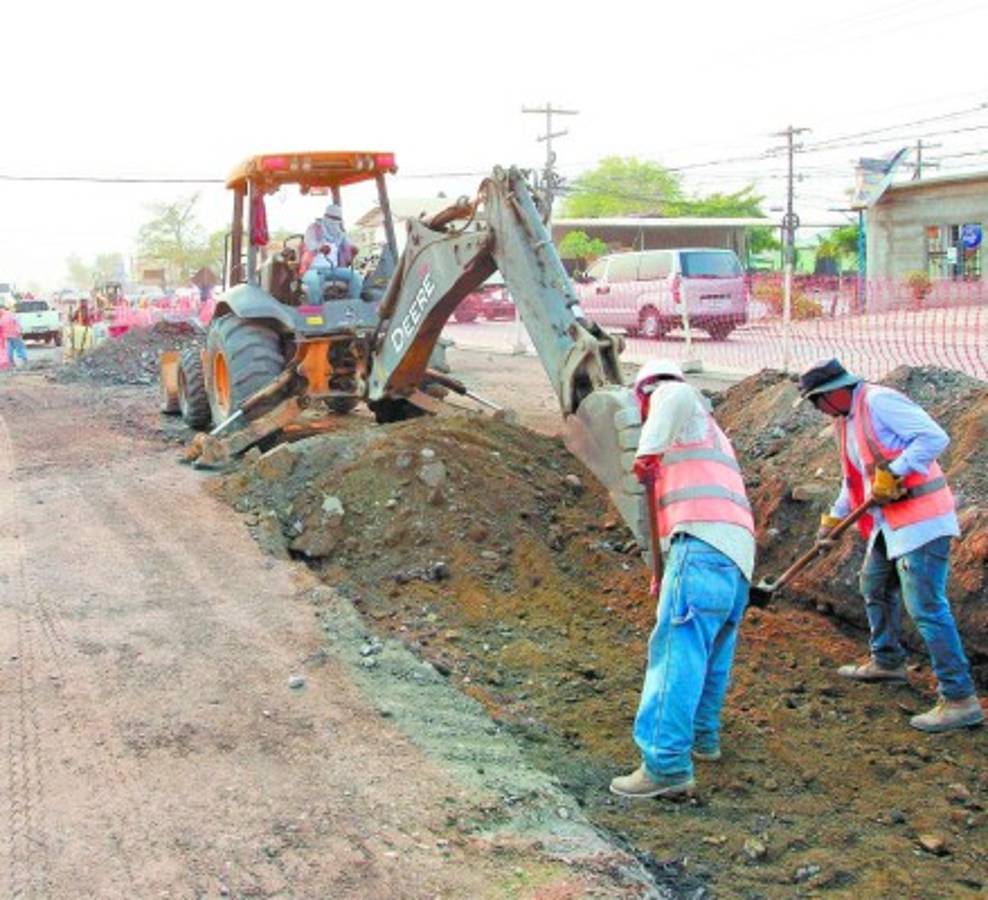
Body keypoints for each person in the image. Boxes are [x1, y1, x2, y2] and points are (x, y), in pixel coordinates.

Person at [798, 358, 983, 732]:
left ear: (833, 393)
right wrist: (833, 519)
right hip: (891, 523)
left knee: (927, 608)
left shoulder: (880, 402)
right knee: (875, 586)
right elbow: (857, 482)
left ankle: (960, 698)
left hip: (923, 521)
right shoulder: (845, 422)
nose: (818, 411)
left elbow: (935, 437)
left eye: (817, 402)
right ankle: (887, 661)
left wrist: (895, 471)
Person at [610, 359, 755, 799]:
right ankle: (702, 738)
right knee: (712, 653)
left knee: (676, 653)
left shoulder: (672, 393)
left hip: (701, 547)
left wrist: (646, 450)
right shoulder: (711, 437)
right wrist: (665, 570)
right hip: (735, 558)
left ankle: (666, 763)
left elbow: (671, 395)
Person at [300, 203, 363, 303]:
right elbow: (310, 244)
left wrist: (353, 249)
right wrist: (320, 248)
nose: (334, 222)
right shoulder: (313, 228)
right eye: (332, 218)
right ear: (326, 216)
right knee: (314, 281)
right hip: (314, 269)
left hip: (334, 269)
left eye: (337, 219)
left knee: (356, 277)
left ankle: (351, 305)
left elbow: (348, 245)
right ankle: (316, 310)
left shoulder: (340, 233)